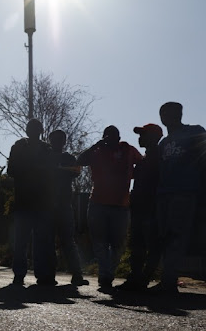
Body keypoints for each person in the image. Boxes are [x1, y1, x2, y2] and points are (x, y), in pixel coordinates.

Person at [151, 102, 206, 294]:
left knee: (176, 235)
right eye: (163, 113)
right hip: (164, 194)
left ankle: (169, 281)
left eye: (170, 113)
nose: (166, 117)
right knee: (165, 236)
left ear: (179, 114)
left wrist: (204, 185)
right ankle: (167, 278)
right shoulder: (164, 143)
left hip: (185, 192)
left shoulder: (195, 132)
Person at [77, 125, 142, 290]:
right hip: (98, 203)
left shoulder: (128, 150)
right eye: (107, 137)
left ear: (119, 138)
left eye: (114, 136)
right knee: (99, 242)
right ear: (103, 138)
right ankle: (105, 275)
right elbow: (79, 160)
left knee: (118, 243)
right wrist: (96, 145)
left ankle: (108, 272)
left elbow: (142, 165)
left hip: (121, 205)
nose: (111, 139)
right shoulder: (97, 152)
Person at [7, 119, 57, 286]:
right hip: (24, 201)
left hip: (41, 203)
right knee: (21, 241)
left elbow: (52, 173)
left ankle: (41, 275)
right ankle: (19, 274)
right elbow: (11, 170)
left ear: (41, 131)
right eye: (31, 128)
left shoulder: (47, 149)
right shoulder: (19, 147)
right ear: (27, 131)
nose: (34, 131)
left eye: (36, 128)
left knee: (40, 241)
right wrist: (30, 168)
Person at [117, 124, 163, 291]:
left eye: (143, 135)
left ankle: (143, 279)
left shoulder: (158, 156)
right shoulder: (145, 158)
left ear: (153, 137)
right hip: (139, 208)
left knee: (150, 244)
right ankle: (136, 278)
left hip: (150, 208)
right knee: (137, 245)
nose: (139, 138)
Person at [49, 129, 88, 286]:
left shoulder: (69, 158)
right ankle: (48, 275)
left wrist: (56, 171)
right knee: (48, 241)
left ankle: (77, 274)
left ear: (64, 141)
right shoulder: (46, 157)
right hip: (48, 205)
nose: (58, 142)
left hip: (64, 204)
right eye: (55, 139)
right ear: (51, 141)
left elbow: (76, 171)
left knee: (68, 240)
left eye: (61, 139)